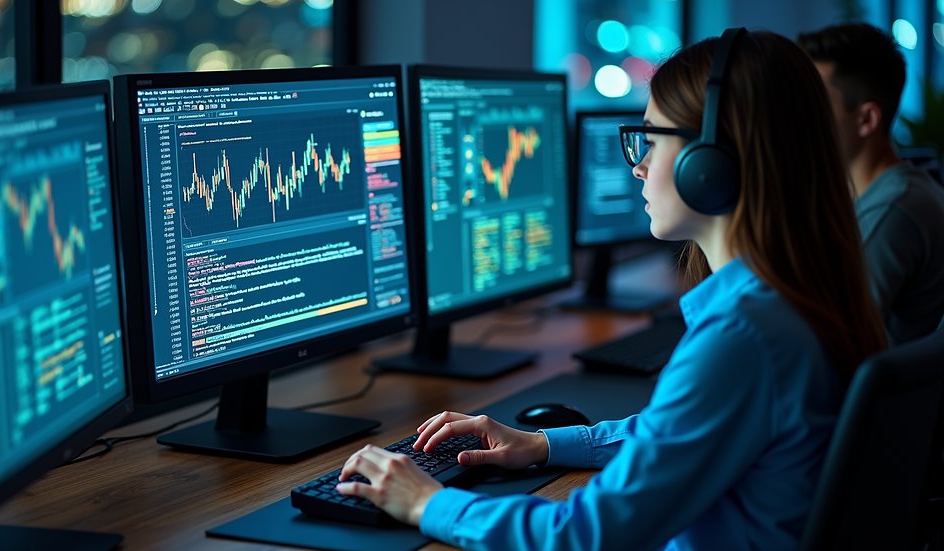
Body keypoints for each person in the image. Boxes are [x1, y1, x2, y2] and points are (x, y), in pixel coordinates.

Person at [334, 30, 887, 551]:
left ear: (713, 163)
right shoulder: (799, 294)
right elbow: (675, 433)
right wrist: (544, 444)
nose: (640, 166)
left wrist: (429, 502)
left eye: (652, 140)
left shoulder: (742, 336)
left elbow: (589, 536)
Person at [797, 23, 944, 345]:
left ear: (867, 120)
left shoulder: (894, 208)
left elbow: (822, 343)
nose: (797, 117)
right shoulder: (877, 194)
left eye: (812, 103)